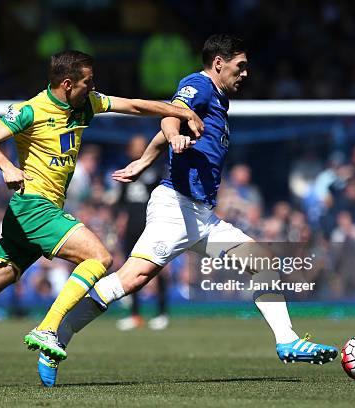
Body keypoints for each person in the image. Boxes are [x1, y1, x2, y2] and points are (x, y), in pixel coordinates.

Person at [0, 50, 204, 390]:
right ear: (67, 84)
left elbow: (135, 105)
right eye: (88, 81)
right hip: (33, 207)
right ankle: (49, 327)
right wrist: (6, 166)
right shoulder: (31, 110)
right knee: (99, 257)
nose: (94, 86)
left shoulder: (86, 103)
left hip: (32, 217)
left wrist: (181, 110)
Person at [37, 34, 338, 387]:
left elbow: (166, 131)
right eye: (240, 67)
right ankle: (56, 338)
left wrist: (144, 160)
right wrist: (175, 132)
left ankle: (287, 340)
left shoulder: (219, 103)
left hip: (202, 216)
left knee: (261, 262)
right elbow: (171, 116)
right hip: (176, 208)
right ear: (219, 63)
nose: (245, 73)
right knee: (130, 279)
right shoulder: (199, 85)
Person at [113, 135, 168, 331]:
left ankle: (162, 313)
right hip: (132, 224)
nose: (136, 149)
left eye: (140, 146)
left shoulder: (156, 169)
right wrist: (119, 218)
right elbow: (120, 200)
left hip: (151, 222)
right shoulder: (128, 169)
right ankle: (135, 314)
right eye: (133, 146)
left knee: (158, 267)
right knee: (131, 266)